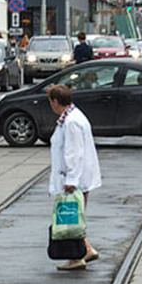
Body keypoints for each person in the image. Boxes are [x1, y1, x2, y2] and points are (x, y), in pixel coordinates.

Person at [48, 83, 101, 270]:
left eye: (51, 102)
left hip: (75, 178)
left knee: (70, 218)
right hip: (77, 176)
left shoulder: (71, 122)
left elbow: (74, 153)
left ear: (55, 101)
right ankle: (86, 249)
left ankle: (76, 257)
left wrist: (71, 180)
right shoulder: (70, 118)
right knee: (74, 216)